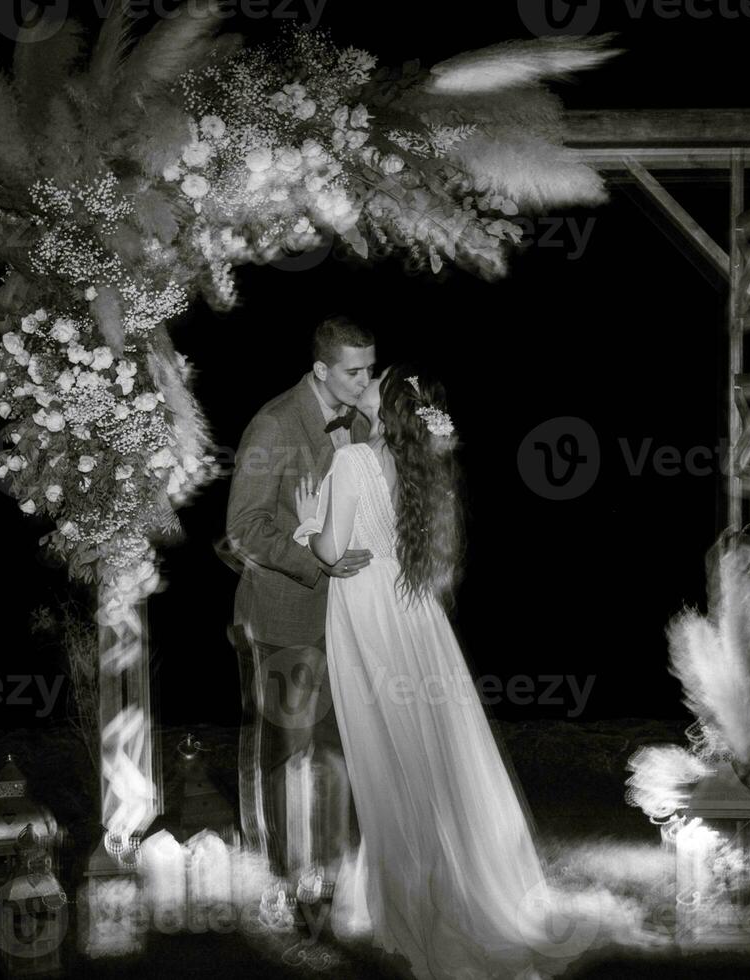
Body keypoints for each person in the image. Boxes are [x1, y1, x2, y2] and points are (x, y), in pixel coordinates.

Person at [293, 366, 639, 979]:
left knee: (391, 754)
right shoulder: (419, 467)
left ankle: (423, 905)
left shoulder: (351, 462)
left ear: (387, 402)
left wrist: (304, 522)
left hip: (373, 619)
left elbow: (330, 549)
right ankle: (437, 888)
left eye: (376, 378)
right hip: (417, 621)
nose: (366, 380)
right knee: (429, 755)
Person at [225, 315, 377, 906]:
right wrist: (316, 558)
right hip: (286, 618)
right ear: (321, 370)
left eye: (369, 368)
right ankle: (290, 881)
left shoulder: (362, 420)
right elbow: (243, 530)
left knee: (340, 745)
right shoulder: (274, 425)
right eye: (354, 371)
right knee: (289, 751)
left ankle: (337, 868)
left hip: (347, 617)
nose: (366, 381)